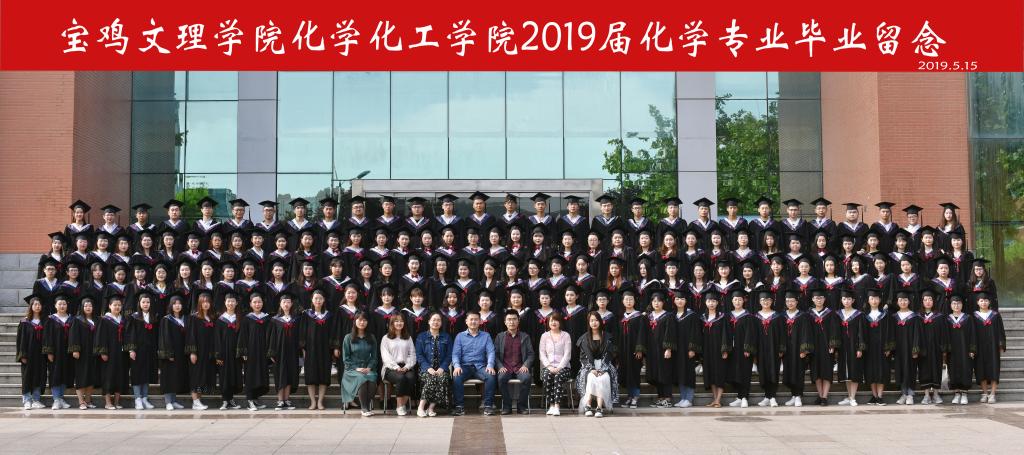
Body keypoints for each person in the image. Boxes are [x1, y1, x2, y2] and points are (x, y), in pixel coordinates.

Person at [451, 311, 497, 416]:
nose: (473, 321)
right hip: (464, 366)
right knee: (457, 377)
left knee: (490, 376)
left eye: (476, 319)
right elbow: (455, 354)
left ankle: (488, 406)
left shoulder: (486, 336)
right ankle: (459, 407)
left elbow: (491, 352)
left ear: (480, 321)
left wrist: (490, 365)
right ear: (466, 321)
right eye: (471, 319)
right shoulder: (460, 336)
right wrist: (457, 366)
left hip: (480, 367)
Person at [576, 311, 618, 417]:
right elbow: (583, 357)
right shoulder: (584, 338)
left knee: (604, 378)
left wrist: (603, 369)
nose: (594, 323)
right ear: (588, 323)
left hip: (605, 365)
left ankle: (599, 407)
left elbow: (610, 354)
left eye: (596, 320)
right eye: (591, 321)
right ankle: (588, 406)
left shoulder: (607, 337)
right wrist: (592, 368)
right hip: (589, 366)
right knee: (590, 377)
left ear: (600, 321)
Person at [301, 290, 336, 410]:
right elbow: (303, 332)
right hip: (310, 350)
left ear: (324, 300)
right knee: (311, 376)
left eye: (320, 298)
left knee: (323, 376)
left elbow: (332, 332)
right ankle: (313, 402)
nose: (318, 301)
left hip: (325, 350)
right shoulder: (306, 315)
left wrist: (332, 348)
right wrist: (303, 349)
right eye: (316, 298)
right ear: (312, 300)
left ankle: (320, 401)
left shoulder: (329, 315)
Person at [495, 309, 534, 415]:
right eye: (509, 319)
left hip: (520, 367)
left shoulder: (525, 336)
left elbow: (531, 354)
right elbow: (495, 355)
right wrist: (500, 366)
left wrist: (526, 365)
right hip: (505, 367)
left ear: (518, 321)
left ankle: (521, 406)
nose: (511, 322)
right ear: (505, 322)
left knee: (526, 378)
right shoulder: (500, 337)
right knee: (501, 378)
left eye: (514, 319)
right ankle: (507, 406)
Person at [341, 311, 379, 416]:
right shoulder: (348, 338)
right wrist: (356, 368)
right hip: (352, 369)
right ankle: (364, 408)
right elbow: (345, 358)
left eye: (364, 320)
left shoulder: (371, 337)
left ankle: (366, 406)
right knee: (361, 378)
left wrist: (369, 367)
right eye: (360, 320)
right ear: (355, 321)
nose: (362, 322)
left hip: (367, 368)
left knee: (372, 377)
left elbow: (374, 357)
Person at [238, 293, 272, 411]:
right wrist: (244, 352)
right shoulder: (247, 318)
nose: (257, 304)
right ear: (250, 304)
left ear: (263, 303)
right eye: (255, 302)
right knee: (250, 376)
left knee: (261, 375)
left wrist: (270, 351)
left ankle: (255, 399)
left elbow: (270, 335)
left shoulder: (267, 318)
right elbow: (243, 336)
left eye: (259, 302)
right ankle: (250, 401)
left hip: (263, 352)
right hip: (251, 353)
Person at [267, 293, 301, 410]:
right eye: (284, 302)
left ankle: (287, 400)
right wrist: (271, 352)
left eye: (288, 302)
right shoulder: (275, 320)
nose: (286, 304)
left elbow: (299, 336)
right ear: (280, 304)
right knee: (280, 375)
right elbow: (272, 337)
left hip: (292, 352)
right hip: (279, 352)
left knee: (290, 374)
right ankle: (280, 401)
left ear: (291, 304)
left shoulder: (296, 319)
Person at [96, 295, 130, 410]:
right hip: (109, 353)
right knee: (108, 376)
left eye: (119, 305)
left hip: (121, 353)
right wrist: (103, 352)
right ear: (109, 306)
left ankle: (116, 402)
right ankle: (108, 402)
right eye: (115, 305)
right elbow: (100, 337)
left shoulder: (124, 320)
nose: (117, 307)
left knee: (120, 375)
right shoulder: (104, 320)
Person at [415, 312, 452, 417]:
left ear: (441, 323)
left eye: (438, 320)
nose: (436, 322)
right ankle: (421, 407)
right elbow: (419, 355)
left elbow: (449, 355)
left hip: (441, 369)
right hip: (425, 369)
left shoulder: (446, 337)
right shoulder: (421, 337)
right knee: (431, 378)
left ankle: (430, 408)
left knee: (443, 378)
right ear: (429, 322)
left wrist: (442, 368)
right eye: (433, 320)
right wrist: (428, 368)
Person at [126, 292, 159, 410]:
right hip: (137, 350)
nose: (146, 304)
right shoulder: (134, 317)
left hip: (150, 351)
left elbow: (156, 335)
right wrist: (131, 349)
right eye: (143, 302)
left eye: (148, 302)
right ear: (139, 303)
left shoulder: (154, 317)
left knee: (147, 374)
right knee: (137, 374)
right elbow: (130, 334)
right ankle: (138, 399)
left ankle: (145, 398)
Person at [43, 294, 75, 410]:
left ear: (67, 305)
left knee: (65, 374)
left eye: (64, 304)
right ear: (55, 306)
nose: (62, 306)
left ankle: (61, 398)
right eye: (60, 304)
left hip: (68, 351)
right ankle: (56, 399)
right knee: (55, 374)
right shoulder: (51, 319)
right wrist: (49, 352)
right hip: (55, 352)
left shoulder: (72, 319)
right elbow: (47, 337)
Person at [380, 315, 417, 415]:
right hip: (390, 368)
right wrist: (396, 367)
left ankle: (401, 405)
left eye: (401, 321)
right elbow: (385, 356)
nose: (399, 323)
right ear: (392, 323)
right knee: (401, 378)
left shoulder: (408, 337)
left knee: (411, 377)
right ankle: (400, 406)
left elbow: (412, 354)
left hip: (406, 366)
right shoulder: (386, 338)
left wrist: (407, 366)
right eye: (396, 321)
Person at [644, 291, 676, 407]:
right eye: (654, 301)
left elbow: (670, 333)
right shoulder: (648, 316)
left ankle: (668, 398)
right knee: (656, 373)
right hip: (652, 349)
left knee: (665, 373)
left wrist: (668, 348)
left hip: (663, 349)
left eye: (659, 301)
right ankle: (660, 397)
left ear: (663, 303)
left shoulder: (668, 316)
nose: (656, 303)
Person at [187, 291, 217, 410]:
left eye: (208, 302)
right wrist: (192, 352)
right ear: (199, 303)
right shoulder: (194, 317)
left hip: (208, 352)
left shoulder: (212, 317)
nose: (205, 304)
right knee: (196, 376)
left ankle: (199, 400)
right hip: (198, 352)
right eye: (203, 302)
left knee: (203, 376)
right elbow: (191, 335)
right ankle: (195, 401)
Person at [973, 291, 1006, 403]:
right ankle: (984, 393)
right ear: (978, 302)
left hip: (993, 347)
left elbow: (1001, 331)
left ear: (989, 302)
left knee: (994, 369)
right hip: (980, 347)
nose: (984, 303)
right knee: (981, 369)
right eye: (981, 301)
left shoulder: (995, 315)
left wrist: (1001, 345)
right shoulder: (974, 316)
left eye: (986, 300)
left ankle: (992, 394)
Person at [863, 288, 894, 405]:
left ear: (880, 300)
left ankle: (880, 396)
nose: (874, 301)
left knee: (882, 371)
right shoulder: (864, 315)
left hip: (882, 348)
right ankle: (874, 396)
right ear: (868, 300)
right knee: (870, 371)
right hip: (869, 348)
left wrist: (888, 347)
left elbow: (890, 331)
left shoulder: (886, 315)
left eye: (876, 298)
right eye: (872, 298)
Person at [158, 294, 189, 410]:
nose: (177, 306)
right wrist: (168, 354)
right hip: (170, 353)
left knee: (176, 377)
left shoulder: (185, 319)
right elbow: (164, 338)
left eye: (179, 303)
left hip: (181, 353)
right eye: (175, 304)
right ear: (171, 305)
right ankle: (168, 402)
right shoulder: (166, 320)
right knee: (168, 376)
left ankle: (174, 400)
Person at [781, 290, 811, 407]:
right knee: (789, 372)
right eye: (788, 301)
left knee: (798, 372)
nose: (790, 303)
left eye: (792, 301)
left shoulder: (803, 316)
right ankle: (793, 395)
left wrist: (804, 349)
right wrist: (781, 349)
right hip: (787, 349)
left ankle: (798, 396)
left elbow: (806, 333)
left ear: (797, 302)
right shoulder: (782, 316)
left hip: (798, 349)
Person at [835, 289, 866, 406]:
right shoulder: (838, 314)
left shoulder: (859, 314)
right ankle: (849, 396)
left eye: (849, 299)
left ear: (853, 300)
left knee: (854, 371)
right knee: (846, 373)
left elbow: (861, 333)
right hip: (842, 347)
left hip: (854, 346)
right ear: (841, 300)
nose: (846, 301)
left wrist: (860, 348)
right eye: (844, 299)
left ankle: (853, 397)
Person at [753, 290, 783, 407]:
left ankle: (772, 397)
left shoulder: (777, 317)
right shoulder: (755, 317)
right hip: (760, 350)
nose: (766, 302)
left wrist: (781, 349)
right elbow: (753, 335)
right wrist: (753, 351)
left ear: (772, 301)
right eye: (763, 300)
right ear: (759, 302)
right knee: (763, 372)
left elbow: (782, 334)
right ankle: (767, 396)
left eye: (768, 300)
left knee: (773, 372)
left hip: (774, 349)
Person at [726, 289, 756, 408]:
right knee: (734, 373)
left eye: (739, 299)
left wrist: (747, 348)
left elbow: (750, 334)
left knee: (745, 372)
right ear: (732, 301)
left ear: (744, 301)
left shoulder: (748, 316)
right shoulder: (728, 316)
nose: (737, 302)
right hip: (731, 350)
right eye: (735, 300)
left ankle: (744, 397)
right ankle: (739, 397)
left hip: (743, 349)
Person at [70, 297, 101, 409]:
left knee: (92, 377)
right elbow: (73, 336)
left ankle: (88, 400)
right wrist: (75, 349)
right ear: (82, 307)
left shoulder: (97, 320)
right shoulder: (77, 320)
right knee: (81, 377)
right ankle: (81, 402)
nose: (88, 308)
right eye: (86, 306)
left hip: (94, 352)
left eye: (90, 306)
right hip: (82, 353)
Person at [214, 293, 244, 410]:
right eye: (228, 301)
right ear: (225, 303)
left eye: (233, 301)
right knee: (224, 376)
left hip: (236, 353)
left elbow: (243, 336)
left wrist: (242, 351)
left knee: (234, 375)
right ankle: (225, 400)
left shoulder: (240, 318)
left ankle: (231, 399)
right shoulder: (220, 319)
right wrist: (218, 355)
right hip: (224, 353)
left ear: (236, 303)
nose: (230, 303)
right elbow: (217, 339)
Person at [539, 312, 572, 415]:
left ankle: (557, 406)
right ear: (548, 322)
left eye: (556, 320)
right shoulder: (544, 336)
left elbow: (567, 354)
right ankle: (551, 405)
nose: (553, 322)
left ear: (560, 322)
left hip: (564, 367)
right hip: (548, 367)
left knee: (558, 376)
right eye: (551, 320)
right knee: (547, 376)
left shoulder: (566, 335)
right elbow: (542, 354)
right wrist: (549, 366)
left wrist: (559, 367)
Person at [944, 295, 975, 405]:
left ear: (962, 305)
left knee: (966, 369)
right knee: (953, 370)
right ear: (950, 305)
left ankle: (964, 393)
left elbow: (973, 334)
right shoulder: (947, 319)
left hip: (965, 350)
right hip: (952, 351)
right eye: (954, 303)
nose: (956, 305)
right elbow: (944, 335)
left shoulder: (968, 318)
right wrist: (945, 350)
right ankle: (957, 393)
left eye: (958, 303)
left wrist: (972, 349)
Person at [700, 292, 729, 408]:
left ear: (717, 303)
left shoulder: (722, 317)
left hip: (719, 350)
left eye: (713, 301)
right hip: (707, 350)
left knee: (719, 373)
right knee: (710, 374)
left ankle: (718, 399)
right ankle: (715, 399)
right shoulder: (703, 318)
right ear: (705, 303)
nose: (711, 303)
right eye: (709, 301)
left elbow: (726, 334)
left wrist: (725, 349)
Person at [893, 291, 922, 405]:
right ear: (897, 302)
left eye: (905, 300)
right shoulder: (894, 317)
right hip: (899, 349)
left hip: (910, 349)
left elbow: (917, 334)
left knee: (910, 369)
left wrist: (915, 349)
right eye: (900, 300)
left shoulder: (914, 317)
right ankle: (903, 393)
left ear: (909, 302)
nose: (903, 302)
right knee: (900, 370)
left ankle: (910, 394)